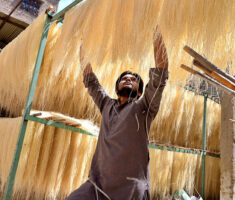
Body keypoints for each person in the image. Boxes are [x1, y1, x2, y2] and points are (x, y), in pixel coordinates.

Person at [66, 27, 169, 200]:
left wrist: (154, 27)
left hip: (130, 189)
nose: (128, 79)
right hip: (97, 186)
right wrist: (81, 42)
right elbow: (91, 81)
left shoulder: (145, 108)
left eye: (134, 79)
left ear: (139, 93)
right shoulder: (106, 104)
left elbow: (161, 71)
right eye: (124, 78)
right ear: (116, 88)